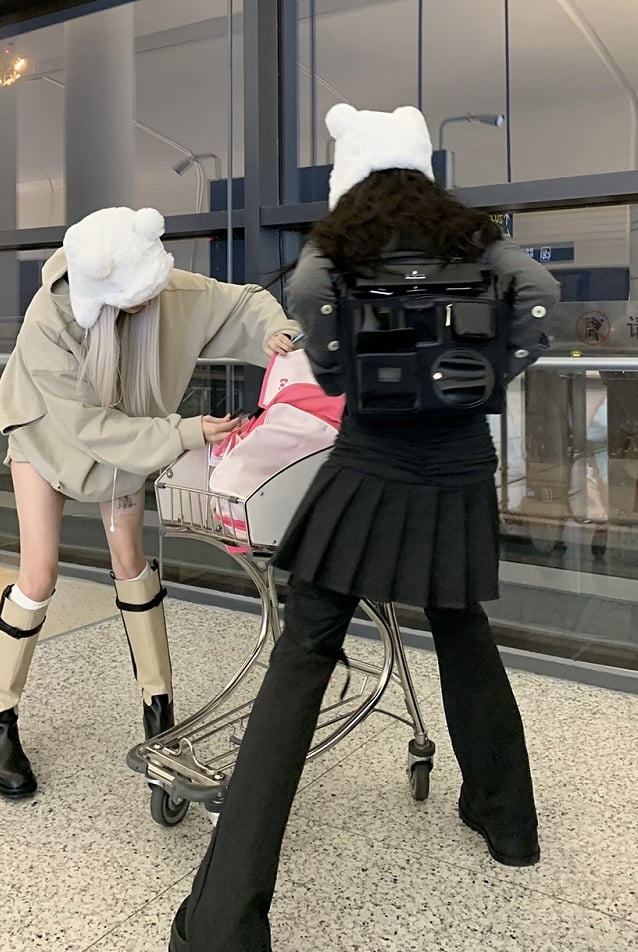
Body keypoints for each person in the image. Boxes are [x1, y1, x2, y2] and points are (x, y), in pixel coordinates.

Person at [169, 103, 561, 952]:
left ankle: (224, 920)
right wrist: (489, 372)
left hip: (369, 464)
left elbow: (308, 297)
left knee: (304, 653)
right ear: (423, 170)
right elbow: (542, 293)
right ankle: (508, 823)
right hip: (458, 467)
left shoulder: (337, 245)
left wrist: (345, 366)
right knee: (462, 631)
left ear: (351, 177)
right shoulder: (475, 239)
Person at [0, 205, 299, 799]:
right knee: (39, 574)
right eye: (135, 299)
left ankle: (159, 710)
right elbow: (88, 428)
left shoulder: (162, 285)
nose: (148, 303)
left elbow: (242, 302)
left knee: (131, 563)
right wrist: (185, 432)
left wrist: (274, 331)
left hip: (127, 434)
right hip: (45, 433)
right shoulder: (50, 317)